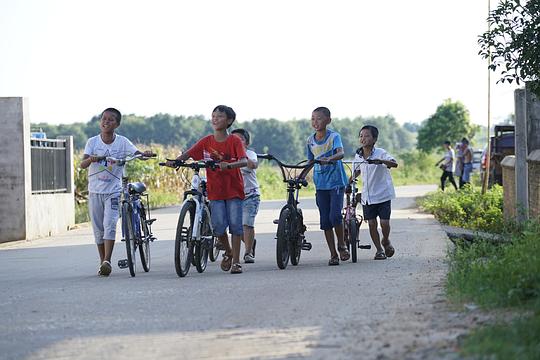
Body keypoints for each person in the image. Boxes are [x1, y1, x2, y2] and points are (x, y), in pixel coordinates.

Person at [166, 105, 247, 274]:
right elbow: (189, 153)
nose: (215, 119)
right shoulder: (207, 141)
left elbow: (244, 161)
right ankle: (229, 251)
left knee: (235, 226)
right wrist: (176, 161)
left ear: (229, 121)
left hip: (233, 190)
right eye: (213, 116)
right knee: (217, 227)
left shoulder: (234, 141)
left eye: (220, 116)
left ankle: (237, 262)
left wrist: (229, 165)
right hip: (215, 190)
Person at [80, 108, 154, 277]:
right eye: (104, 119)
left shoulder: (122, 142)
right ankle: (103, 262)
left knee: (110, 224)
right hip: (95, 192)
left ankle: (107, 260)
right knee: (98, 229)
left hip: (113, 192)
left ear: (117, 124)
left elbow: (137, 154)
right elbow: (82, 164)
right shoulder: (92, 142)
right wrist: (92, 158)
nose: (106, 122)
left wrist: (145, 154)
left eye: (111, 120)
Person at [306, 107, 349, 266]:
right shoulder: (310, 140)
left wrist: (329, 158)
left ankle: (342, 245)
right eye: (312, 119)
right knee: (325, 220)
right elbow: (310, 161)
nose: (315, 122)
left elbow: (341, 153)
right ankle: (333, 254)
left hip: (336, 182)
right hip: (321, 185)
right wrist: (302, 175)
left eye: (319, 118)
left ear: (328, 120)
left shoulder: (334, 136)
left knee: (335, 216)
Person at [351, 125, 398, 260]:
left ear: (374, 139)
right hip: (367, 196)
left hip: (383, 194)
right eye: (361, 136)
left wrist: (381, 161)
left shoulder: (381, 153)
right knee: (371, 224)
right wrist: (349, 181)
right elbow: (357, 171)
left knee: (384, 223)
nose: (363, 138)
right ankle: (379, 250)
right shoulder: (358, 156)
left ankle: (386, 240)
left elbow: (394, 164)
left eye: (367, 136)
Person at [231, 128, 260, 264]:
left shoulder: (250, 153)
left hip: (250, 195)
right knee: (236, 227)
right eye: (234, 139)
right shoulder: (228, 155)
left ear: (246, 143)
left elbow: (253, 165)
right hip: (234, 196)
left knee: (247, 224)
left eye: (240, 139)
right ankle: (250, 242)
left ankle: (248, 252)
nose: (236, 142)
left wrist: (242, 155)